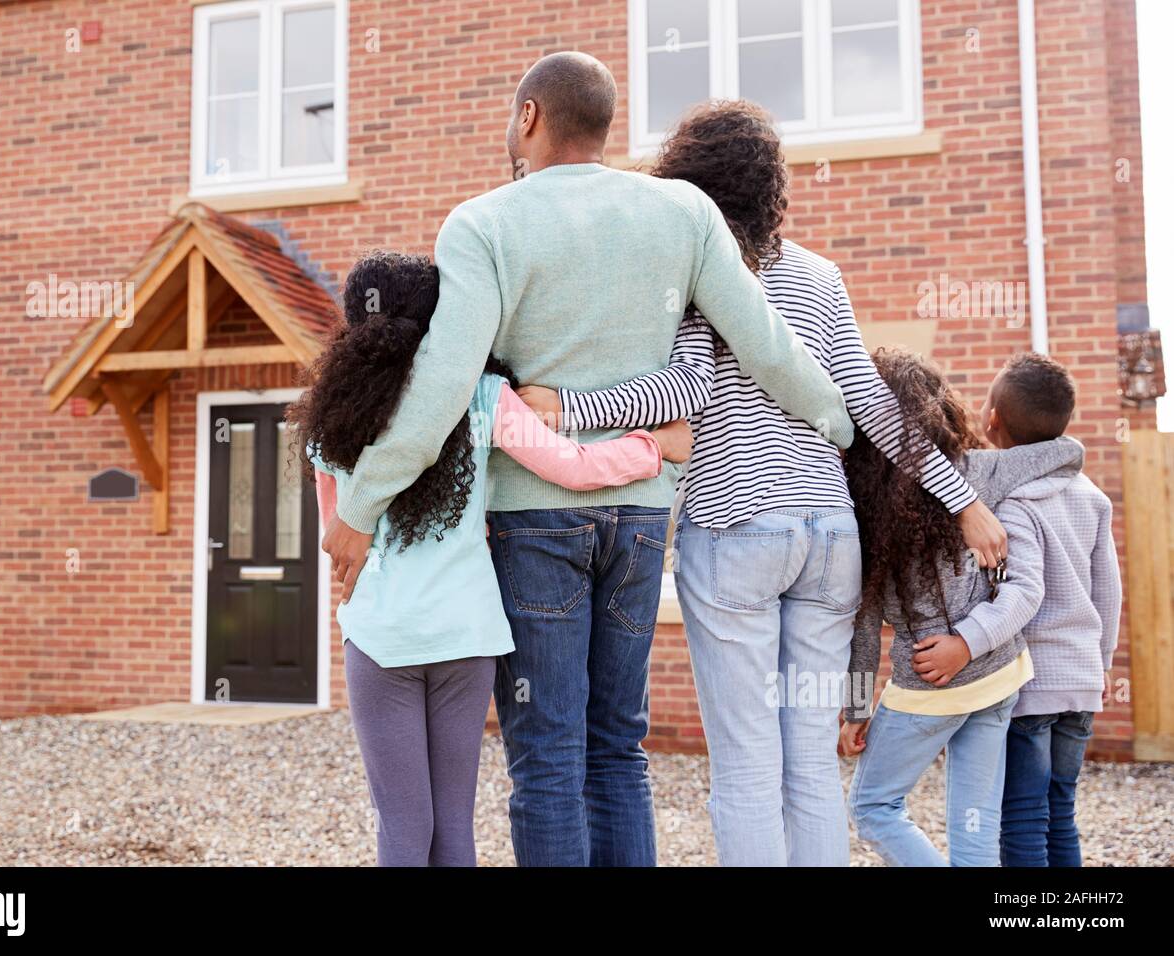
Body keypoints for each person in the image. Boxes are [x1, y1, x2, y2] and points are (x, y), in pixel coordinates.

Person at [320, 53, 855, 867]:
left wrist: (359, 511)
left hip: (532, 522)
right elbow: (768, 345)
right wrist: (839, 425)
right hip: (641, 513)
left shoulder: (484, 223)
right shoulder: (683, 212)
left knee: (548, 756)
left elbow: (441, 389)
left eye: (511, 118)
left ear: (529, 116)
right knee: (617, 747)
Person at [518, 100, 1008, 866]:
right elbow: (873, 404)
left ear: (689, 179)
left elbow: (684, 390)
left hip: (737, 529)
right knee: (809, 766)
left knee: (748, 768)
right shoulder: (820, 275)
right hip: (827, 539)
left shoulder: (696, 267)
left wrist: (571, 408)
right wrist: (967, 501)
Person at [291, 250, 693, 866]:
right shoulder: (483, 398)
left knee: (403, 825)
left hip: (380, 639)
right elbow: (574, 469)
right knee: (454, 824)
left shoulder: (332, 420)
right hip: (467, 637)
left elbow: (339, 542)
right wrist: (656, 447)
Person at [839, 348, 1083, 867]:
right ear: (942, 412)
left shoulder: (860, 509)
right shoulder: (979, 474)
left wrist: (857, 709)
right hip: (1001, 675)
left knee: (872, 806)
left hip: (933, 683)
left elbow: (862, 630)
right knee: (975, 827)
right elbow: (1067, 451)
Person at [982, 354, 1121, 867]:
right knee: (1060, 809)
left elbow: (1026, 593)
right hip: (1082, 680)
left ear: (992, 418)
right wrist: (1102, 662)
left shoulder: (1014, 501)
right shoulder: (1092, 497)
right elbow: (1109, 591)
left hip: (1031, 687)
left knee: (1020, 814)